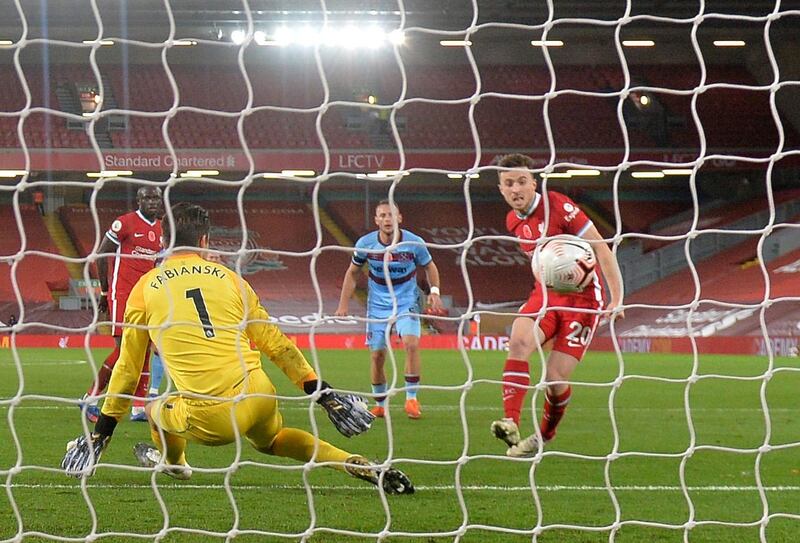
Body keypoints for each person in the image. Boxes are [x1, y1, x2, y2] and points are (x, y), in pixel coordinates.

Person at [61, 203, 413, 495]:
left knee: (154, 408)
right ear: (204, 240)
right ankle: (347, 459)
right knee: (272, 439)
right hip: (258, 392)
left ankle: (175, 464)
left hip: (213, 418)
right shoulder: (231, 279)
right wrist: (323, 394)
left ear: (164, 242)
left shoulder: (145, 287)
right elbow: (276, 344)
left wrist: (101, 434)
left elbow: (127, 368)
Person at [490, 154, 624, 457]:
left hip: (584, 300)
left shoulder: (557, 205)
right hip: (546, 295)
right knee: (519, 341)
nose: (516, 189)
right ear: (501, 189)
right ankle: (510, 420)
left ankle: (544, 436)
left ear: (533, 183)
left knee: (554, 379)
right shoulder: (513, 221)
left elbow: (601, 247)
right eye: (509, 183)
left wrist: (618, 297)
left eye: (522, 181)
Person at [335, 199, 444, 420]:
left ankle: (411, 399)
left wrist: (434, 291)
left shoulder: (414, 243)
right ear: (376, 220)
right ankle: (380, 404)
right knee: (377, 356)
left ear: (399, 218)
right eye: (383, 215)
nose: (387, 219)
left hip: (407, 300)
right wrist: (343, 304)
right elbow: (352, 272)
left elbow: (430, 266)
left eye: (391, 215)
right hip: (378, 303)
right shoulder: (366, 244)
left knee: (411, 344)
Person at [80, 186, 164, 422]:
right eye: (148, 197)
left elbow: (156, 265)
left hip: (146, 297)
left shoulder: (161, 228)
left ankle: (138, 407)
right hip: (122, 294)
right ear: (139, 200)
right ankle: (89, 399)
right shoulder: (124, 223)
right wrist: (105, 292)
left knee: (145, 349)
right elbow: (101, 254)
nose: (153, 202)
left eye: (156, 197)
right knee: (123, 352)